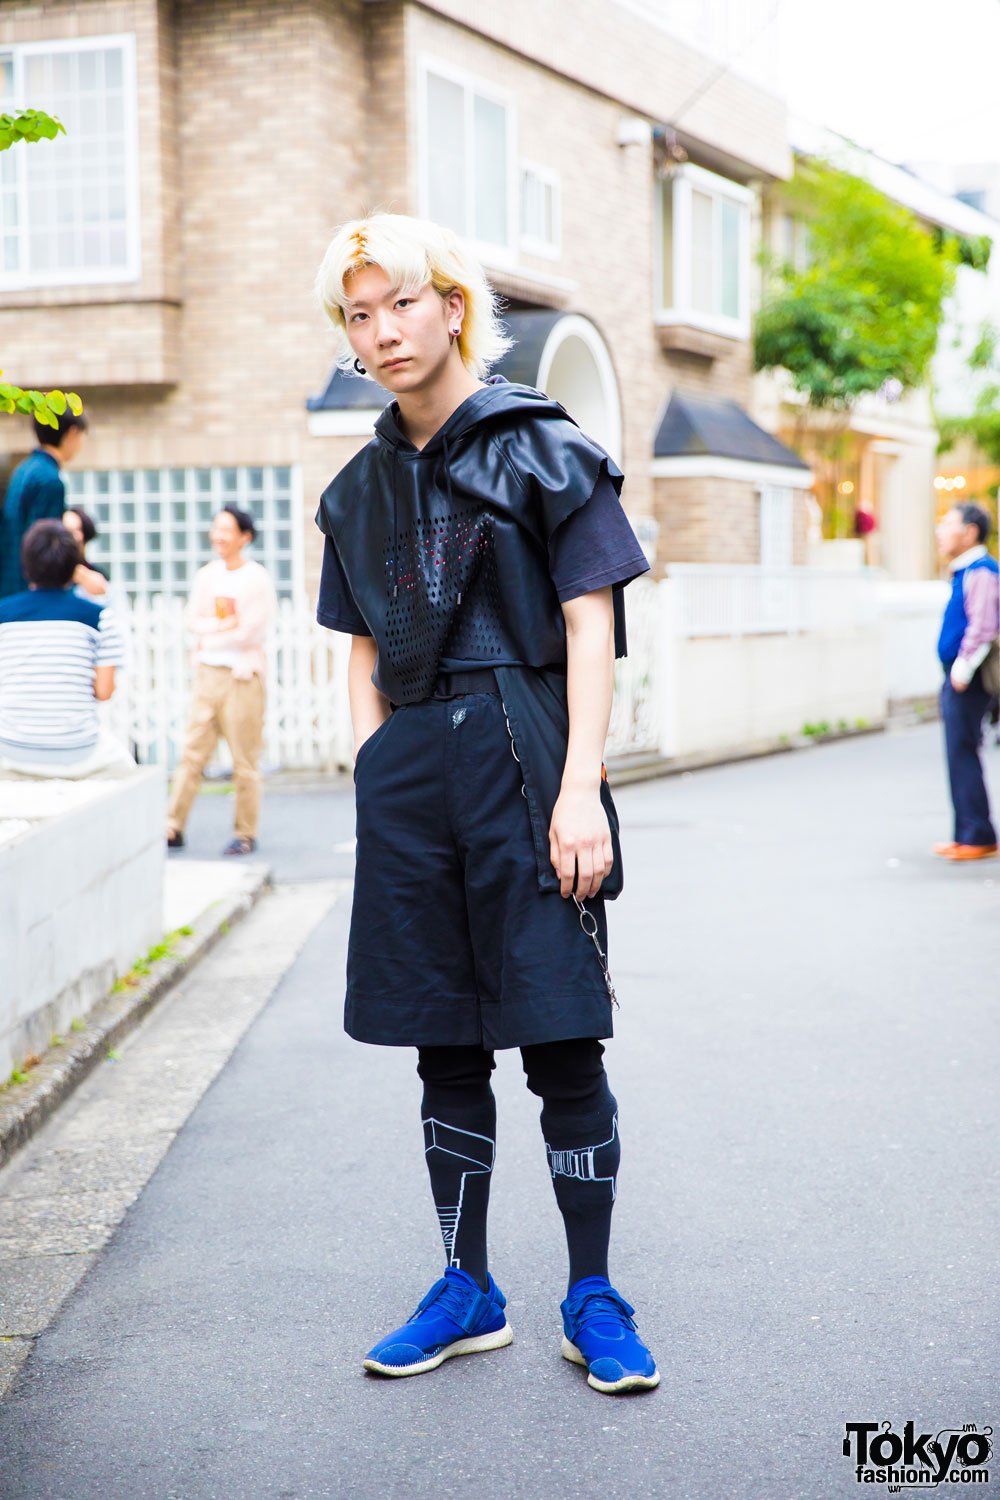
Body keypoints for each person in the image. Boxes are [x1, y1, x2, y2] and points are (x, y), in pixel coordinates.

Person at [313, 212, 658, 1394]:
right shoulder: (355, 490)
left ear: (451, 305)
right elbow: (355, 645)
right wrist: (374, 773)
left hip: (528, 749)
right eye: (357, 315)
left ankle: (592, 1292)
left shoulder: (541, 447)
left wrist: (581, 792)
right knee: (443, 1047)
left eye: (398, 302)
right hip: (411, 773)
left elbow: (589, 621)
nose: (380, 330)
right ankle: (467, 1285)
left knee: (562, 1036)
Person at [165, 504, 276, 856]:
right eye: (216, 528)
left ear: (245, 537)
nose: (219, 535)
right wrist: (221, 628)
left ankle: (245, 833)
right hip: (208, 674)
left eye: (226, 529)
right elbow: (192, 620)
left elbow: (251, 631)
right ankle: (172, 826)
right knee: (191, 754)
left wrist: (212, 633)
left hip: (243, 677)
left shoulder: (256, 578)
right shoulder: (208, 575)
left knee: (244, 759)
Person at [0, 519, 131, 778]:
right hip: (78, 748)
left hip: (9, 746)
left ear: (26, 567)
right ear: (74, 567)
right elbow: (104, 692)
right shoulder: (100, 617)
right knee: (127, 769)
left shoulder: (3, 614)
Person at [933, 502, 999, 861]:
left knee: (963, 750)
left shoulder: (982, 571)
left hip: (969, 680)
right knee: (957, 751)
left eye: (948, 524)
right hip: (961, 677)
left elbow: (983, 626)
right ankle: (966, 833)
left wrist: (961, 669)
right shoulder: (965, 571)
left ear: (970, 532)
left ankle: (978, 834)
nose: (940, 531)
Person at [0, 411, 88, 599]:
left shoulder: (25, 469)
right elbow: (47, 546)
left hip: (10, 587)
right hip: (29, 593)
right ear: (72, 433)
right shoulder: (49, 480)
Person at [62, 505, 112, 604]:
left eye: (79, 530)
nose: (78, 537)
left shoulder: (96, 574)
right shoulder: (48, 575)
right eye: (69, 531)